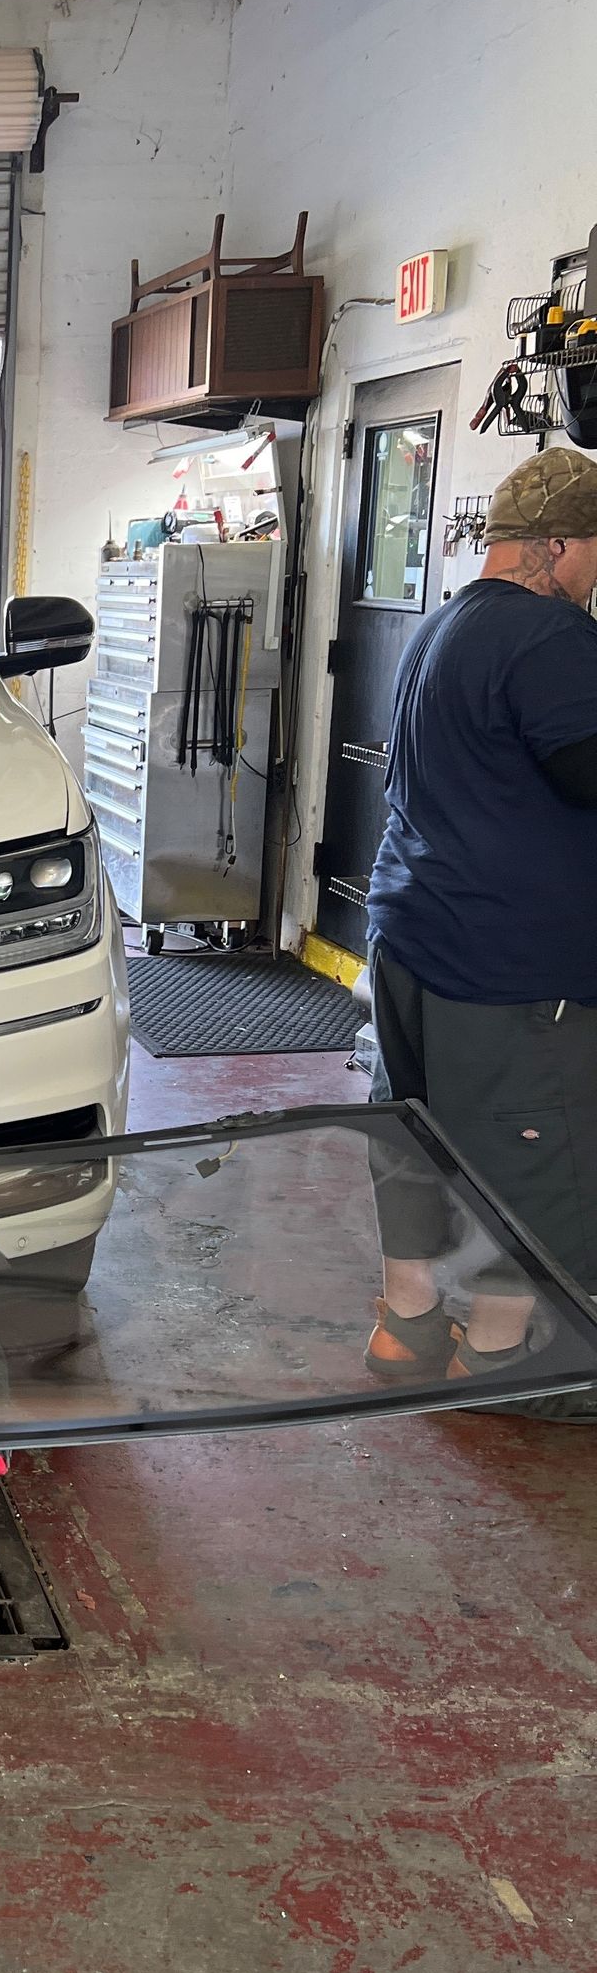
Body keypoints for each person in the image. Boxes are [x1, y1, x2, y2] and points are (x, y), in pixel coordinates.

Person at [362, 445, 597, 1420]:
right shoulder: (553, 638)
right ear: (559, 546)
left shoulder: (440, 624)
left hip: (413, 930)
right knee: (531, 1149)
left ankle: (405, 1323)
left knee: (410, 1134)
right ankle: (499, 1355)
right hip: (511, 964)